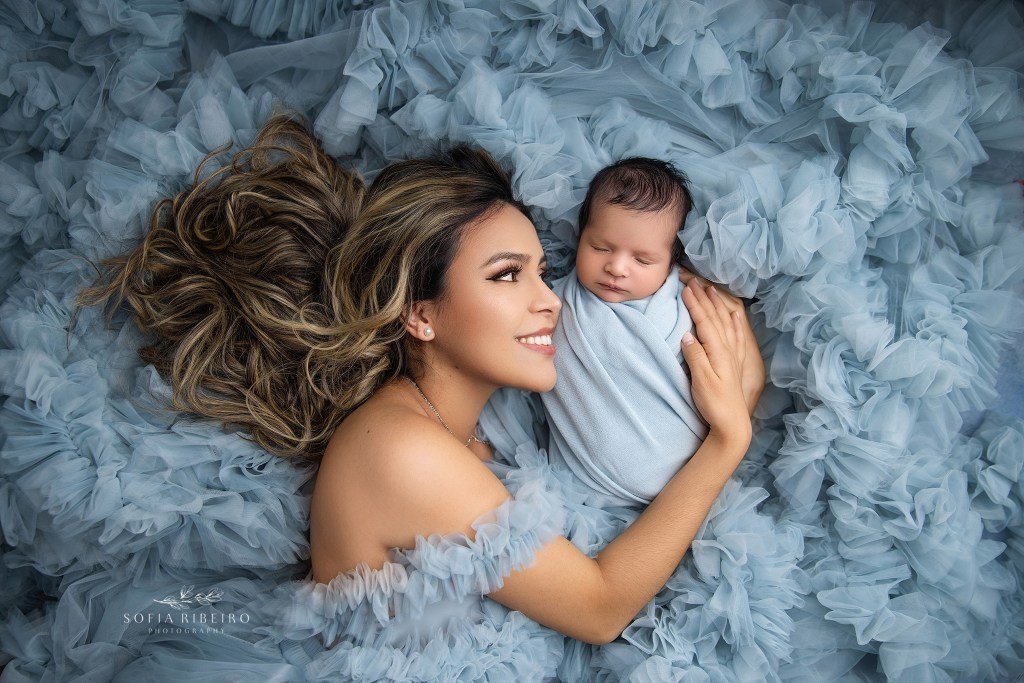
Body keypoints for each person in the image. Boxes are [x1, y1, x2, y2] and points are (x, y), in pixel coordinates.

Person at [82, 115, 762, 679]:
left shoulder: (456, 428)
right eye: (507, 275)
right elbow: (601, 607)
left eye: (543, 272)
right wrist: (728, 441)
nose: (550, 300)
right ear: (421, 315)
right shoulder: (402, 450)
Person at [541, 157, 763, 506]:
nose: (616, 267)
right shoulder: (555, 302)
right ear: (580, 237)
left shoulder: (687, 308)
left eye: (642, 260)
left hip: (687, 481)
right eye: (599, 247)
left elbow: (725, 373)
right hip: (581, 487)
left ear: (673, 262)